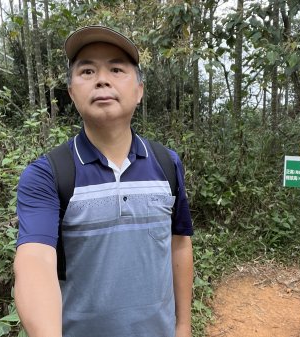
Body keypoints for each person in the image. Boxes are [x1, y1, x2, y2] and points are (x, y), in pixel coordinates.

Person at [13, 25, 194, 337]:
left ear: (139, 90)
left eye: (116, 68)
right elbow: (35, 261)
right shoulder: (48, 174)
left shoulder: (167, 163)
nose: (101, 79)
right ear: (71, 92)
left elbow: (180, 244)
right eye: (87, 70)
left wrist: (183, 326)